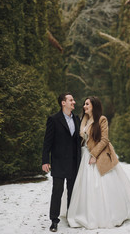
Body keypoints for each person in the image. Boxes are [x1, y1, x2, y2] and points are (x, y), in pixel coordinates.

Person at [67, 96, 130, 229]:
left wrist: (94, 155)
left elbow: (104, 140)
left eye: (87, 104)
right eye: (84, 104)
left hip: (98, 155)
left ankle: (107, 214)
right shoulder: (83, 120)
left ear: (94, 106)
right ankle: (82, 213)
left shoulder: (101, 120)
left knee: (101, 185)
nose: (84, 106)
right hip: (84, 156)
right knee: (84, 186)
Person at [42, 92, 81, 232]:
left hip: (73, 162)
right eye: (71, 100)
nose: (74, 102)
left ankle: (71, 217)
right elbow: (47, 142)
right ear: (63, 103)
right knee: (57, 191)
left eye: (73, 99)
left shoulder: (77, 119)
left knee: (72, 191)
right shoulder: (53, 119)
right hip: (58, 161)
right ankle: (54, 220)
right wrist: (45, 160)